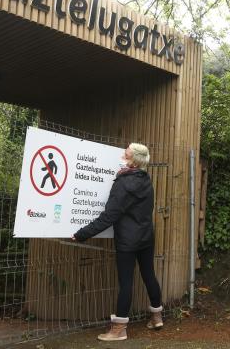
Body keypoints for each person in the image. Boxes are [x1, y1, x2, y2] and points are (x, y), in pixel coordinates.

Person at [72, 143, 163, 341]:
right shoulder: (146, 179)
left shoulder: (122, 183)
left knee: (126, 283)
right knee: (149, 275)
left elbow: (109, 217)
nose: (122, 154)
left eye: (126, 152)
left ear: (133, 160)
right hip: (146, 236)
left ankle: (119, 329)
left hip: (128, 241)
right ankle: (157, 316)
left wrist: (81, 234)